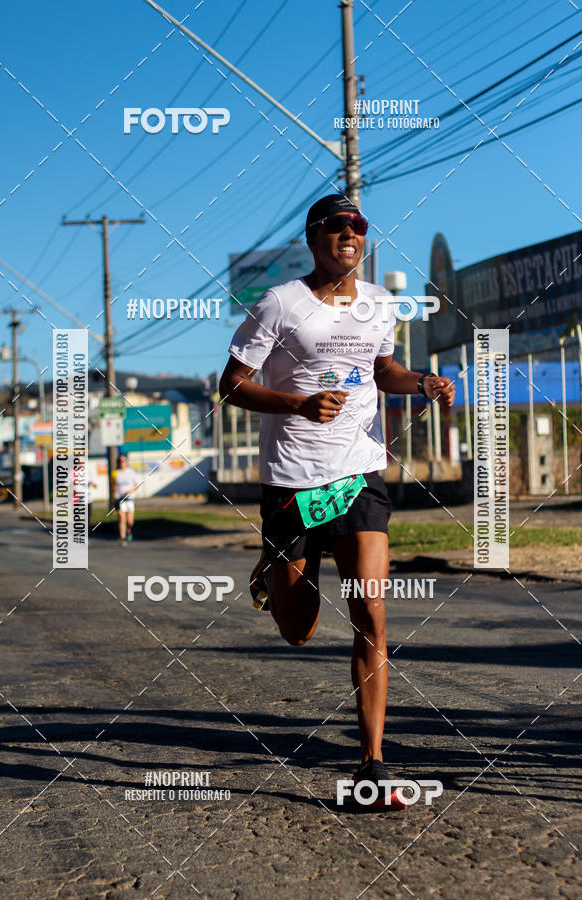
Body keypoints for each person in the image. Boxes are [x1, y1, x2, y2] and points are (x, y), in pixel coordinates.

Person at [219, 194, 454, 801]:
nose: (351, 233)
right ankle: (274, 569)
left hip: (359, 474)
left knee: (371, 612)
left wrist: (421, 382)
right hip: (293, 479)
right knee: (298, 628)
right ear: (313, 236)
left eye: (360, 226)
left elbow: (383, 370)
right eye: (338, 225)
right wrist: (298, 403)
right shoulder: (280, 303)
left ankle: (372, 762)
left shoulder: (379, 303)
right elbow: (232, 384)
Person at [111, 453, 139, 545]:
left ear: (126, 462)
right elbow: (112, 485)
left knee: (130, 521)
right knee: (122, 519)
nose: (121, 463)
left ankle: (129, 530)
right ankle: (122, 538)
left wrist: (131, 490)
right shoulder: (115, 473)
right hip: (119, 498)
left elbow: (137, 484)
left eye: (123, 461)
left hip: (129, 498)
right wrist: (113, 489)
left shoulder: (131, 472)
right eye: (119, 461)